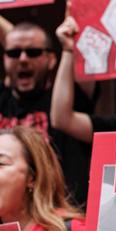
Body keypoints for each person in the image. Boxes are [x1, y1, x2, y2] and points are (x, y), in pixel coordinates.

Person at [0, 21, 96, 205]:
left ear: (52, 59)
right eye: (13, 53)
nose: (23, 59)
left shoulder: (67, 99)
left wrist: (69, 46)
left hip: (60, 218)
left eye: (33, 52)